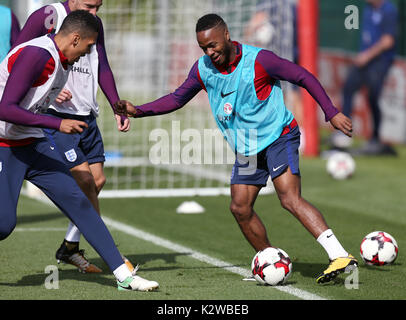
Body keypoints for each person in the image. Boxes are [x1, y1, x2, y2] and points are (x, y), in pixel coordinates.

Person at [115, 14, 358, 284]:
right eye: (203, 48)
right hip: (247, 149)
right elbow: (176, 99)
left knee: (289, 198)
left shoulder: (260, 60)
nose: (210, 52)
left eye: (213, 46)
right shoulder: (202, 69)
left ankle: (339, 255)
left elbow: (302, 76)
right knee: (240, 208)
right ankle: (269, 260)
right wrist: (138, 111)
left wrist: (331, 112)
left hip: (279, 136)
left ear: (227, 35)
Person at [0, 10, 158, 292]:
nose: (88, 54)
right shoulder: (37, 55)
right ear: (75, 38)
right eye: (87, 47)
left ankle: (124, 276)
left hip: (33, 142)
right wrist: (56, 122)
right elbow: (5, 109)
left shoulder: (63, 59)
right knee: (3, 225)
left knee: (80, 200)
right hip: (4, 146)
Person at [13, 0, 133, 273]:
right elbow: (17, 57)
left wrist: (115, 104)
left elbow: (102, 66)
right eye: (90, 6)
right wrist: (49, 86)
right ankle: (113, 256)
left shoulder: (93, 24)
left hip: (86, 114)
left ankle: (69, 247)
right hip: (57, 116)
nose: (94, 13)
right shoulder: (47, 16)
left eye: (98, 7)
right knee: (84, 180)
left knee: (97, 180)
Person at [332, 0, 398, 155]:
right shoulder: (368, 9)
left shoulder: (389, 10)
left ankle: (375, 138)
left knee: (373, 96)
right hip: (364, 60)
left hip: (379, 61)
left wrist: (367, 56)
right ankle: (344, 133)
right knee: (348, 87)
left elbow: (388, 41)